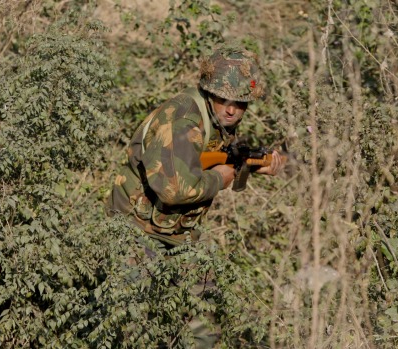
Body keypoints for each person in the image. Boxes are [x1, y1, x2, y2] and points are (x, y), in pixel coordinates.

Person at [107, 45, 284, 248]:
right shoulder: (184, 121)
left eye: (241, 102)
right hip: (134, 229)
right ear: (209, 92)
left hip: (177, 231)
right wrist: (219, 178)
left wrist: (252, 165)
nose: (232, 110)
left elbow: (214, 155)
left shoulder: (218, 116)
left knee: (208, 279)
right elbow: (174, 191)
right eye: (223, 99)